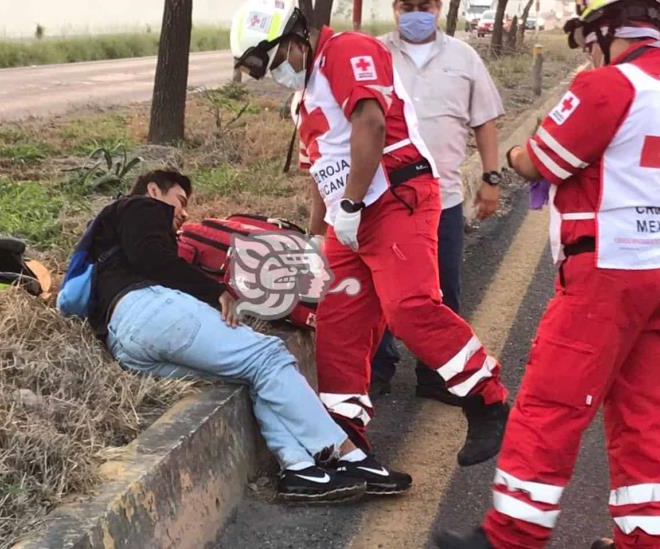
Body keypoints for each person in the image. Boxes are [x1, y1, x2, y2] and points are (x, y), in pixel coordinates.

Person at [230, 0, 510, 489]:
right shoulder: (306, 95)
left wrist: (354, 207)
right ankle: (348, 445)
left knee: (409, 309)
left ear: (296, 39)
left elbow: (371, 125)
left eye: (277, 62)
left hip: (394, 199)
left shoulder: (347, 53)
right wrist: (318, 236)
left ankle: (487, 400)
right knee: (339, 332)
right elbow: (320, 169)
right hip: (349, 221)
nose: (278, 74)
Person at [435, 0, 660, 546]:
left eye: (588, 41)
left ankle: (510, 536)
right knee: (644, 413)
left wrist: (512, 154)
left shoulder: (607, 87)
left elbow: (542, 161)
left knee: (552, 402)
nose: (586, 53)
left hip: (607, 269)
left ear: (611, 31)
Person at [86, 168, 412, 503]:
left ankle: (299, 469)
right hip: (150, 310)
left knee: (248, 374)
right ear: (154, 189)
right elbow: (153, 259)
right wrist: (216, 292)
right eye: (179, 201)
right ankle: (346, 456)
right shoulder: (142, 206)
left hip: (125, 342)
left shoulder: (112, 239)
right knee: (268, 355)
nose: (182, 213)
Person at [371, 0, 505, 401]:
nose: (416, 13)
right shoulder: (374, 55)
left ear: (439, 7)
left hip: (442, 198)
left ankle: (437, 376)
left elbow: (485, 121)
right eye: (407, 5)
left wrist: (491, 179)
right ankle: (378, 369)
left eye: (424, 5)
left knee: (442, 292)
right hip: (384, 199)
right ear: (395, 8)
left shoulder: (463, 57)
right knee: (383, 293)